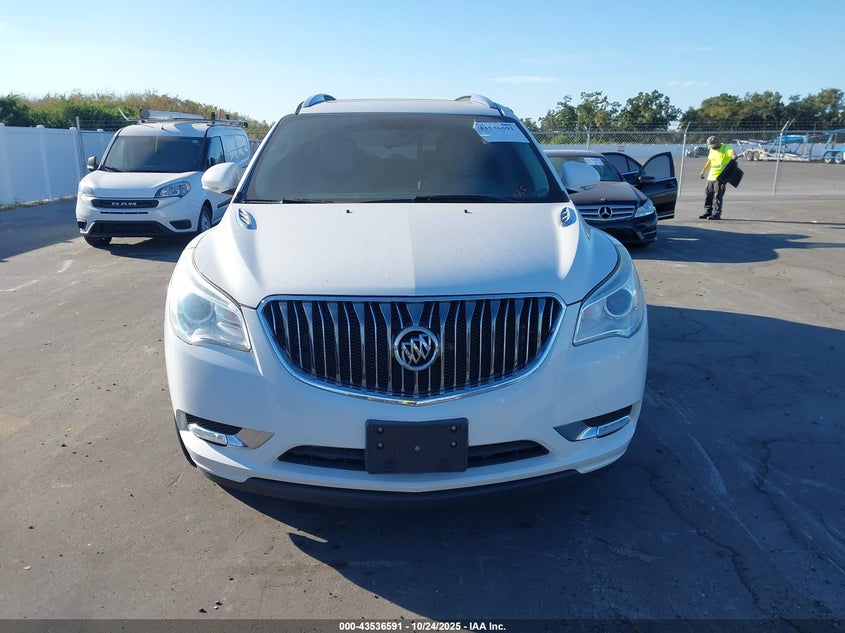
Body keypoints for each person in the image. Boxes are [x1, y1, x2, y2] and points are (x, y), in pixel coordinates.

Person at [699, 136, 737, 220]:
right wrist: (703, 171)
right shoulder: (712, 150)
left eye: (714, 146)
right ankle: (707, 212)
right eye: (711, 146)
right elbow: (710, 161)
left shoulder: (725, 148)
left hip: (721, 177)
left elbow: (732, 153)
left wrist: (734, 157)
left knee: (717, 196)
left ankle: (716, 214)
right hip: (711, 177)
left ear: (718, 143)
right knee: (708, 195)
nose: (713, 148)